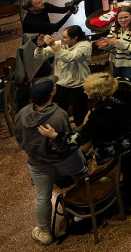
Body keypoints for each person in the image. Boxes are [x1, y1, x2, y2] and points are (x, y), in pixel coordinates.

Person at [45, 72, 131, 206]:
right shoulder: (125, 83)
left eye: (88, 90)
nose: (84, 91)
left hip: (128, 143)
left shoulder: (101, 113)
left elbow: (81, 138)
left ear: (99, 93)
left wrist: (56, 135)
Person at [13, 79, 90, 245]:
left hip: (37, 162)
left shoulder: (22, 113)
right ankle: (91, 207)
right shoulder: (58, 115)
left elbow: (18, 137)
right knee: (83, 177)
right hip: (64, 159)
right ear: (52, 93)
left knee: (42, 197)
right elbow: (65, 143)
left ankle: (45, 232)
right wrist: (83, 125)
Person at [34, 25, 92, 120]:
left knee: (79, 114)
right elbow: (39, 56)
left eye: (65, 37)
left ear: (74, 39)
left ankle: (79, 132)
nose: (61, 39)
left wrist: (53, 45)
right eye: (62, 36)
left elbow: (69, 57)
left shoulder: (84, 46)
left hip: (78, 86)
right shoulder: (62, 44)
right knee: (58, 112)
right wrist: (40, 46)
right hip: (61, 85)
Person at [96, 5, 131, 89]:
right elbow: (110, 42)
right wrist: (106, 44)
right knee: (120, 87)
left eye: (126, 17)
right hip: (117, 63)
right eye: (120, 18)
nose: (123, 20)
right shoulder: (115, 27)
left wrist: (117, 43)